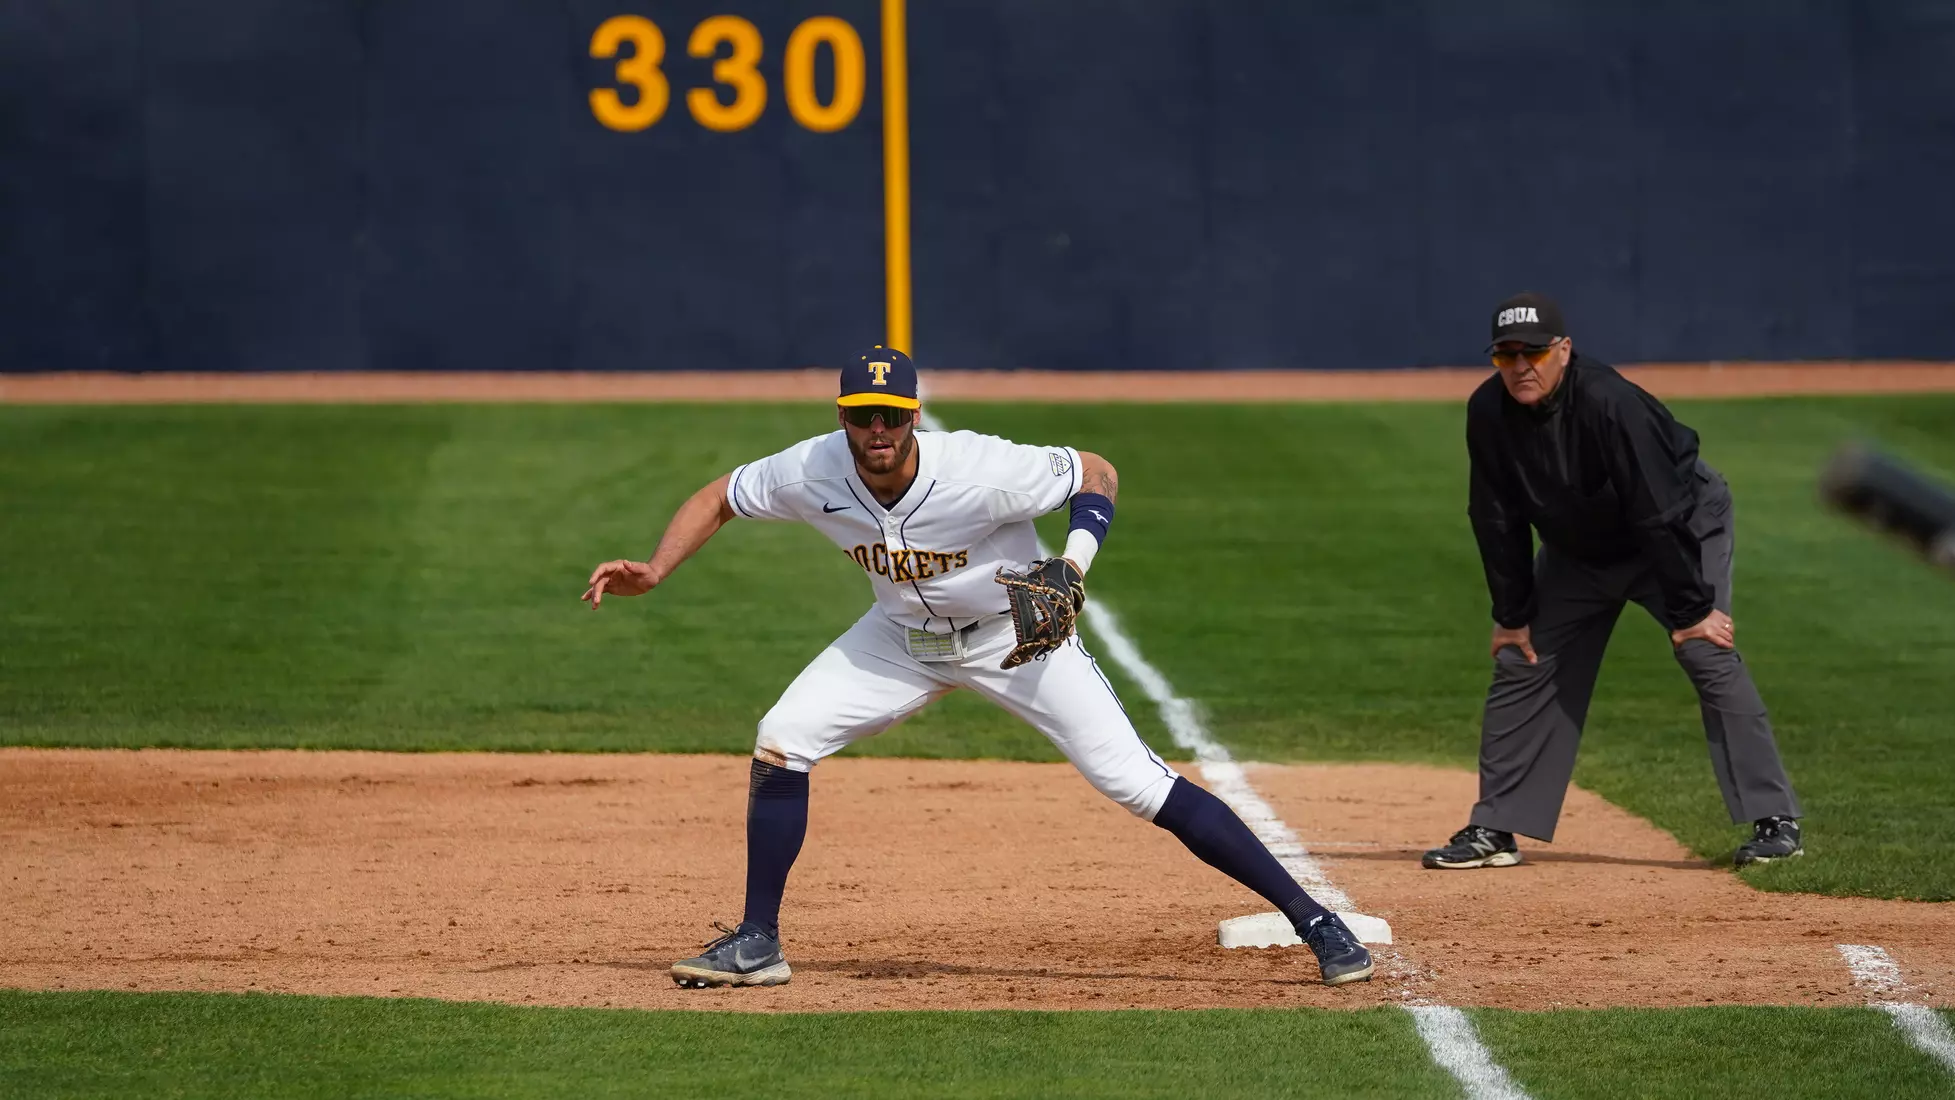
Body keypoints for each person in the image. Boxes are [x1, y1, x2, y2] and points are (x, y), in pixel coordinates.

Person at [583, 346, 1374, 987]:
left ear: (914, 413)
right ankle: (758, 941)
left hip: (1014, 636)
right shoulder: (811, 469)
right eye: (864, 417)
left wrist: (1074, 562)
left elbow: (1095, 470)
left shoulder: (981, 468)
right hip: (896, 637)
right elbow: (722, 494)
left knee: (1135, 782)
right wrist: (656, 570)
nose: (879, 429)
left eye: (892, 414)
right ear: (843, 420)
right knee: (782, 738)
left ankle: (1316, 921)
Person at [1423, 294, 1804, 872]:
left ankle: (1776, 821)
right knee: (1522, 656)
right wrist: (1512, 611)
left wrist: (1690, 607)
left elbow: (1658, 509)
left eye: (1534, 353)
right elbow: (1495, 515)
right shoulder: (1489, 412)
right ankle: (1496, 827)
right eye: (1506, 355)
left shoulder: (1609, 402)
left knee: (1706, 650)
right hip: (1581, 549)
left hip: (1673, 528)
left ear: (1564, 351)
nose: (1521, 366)